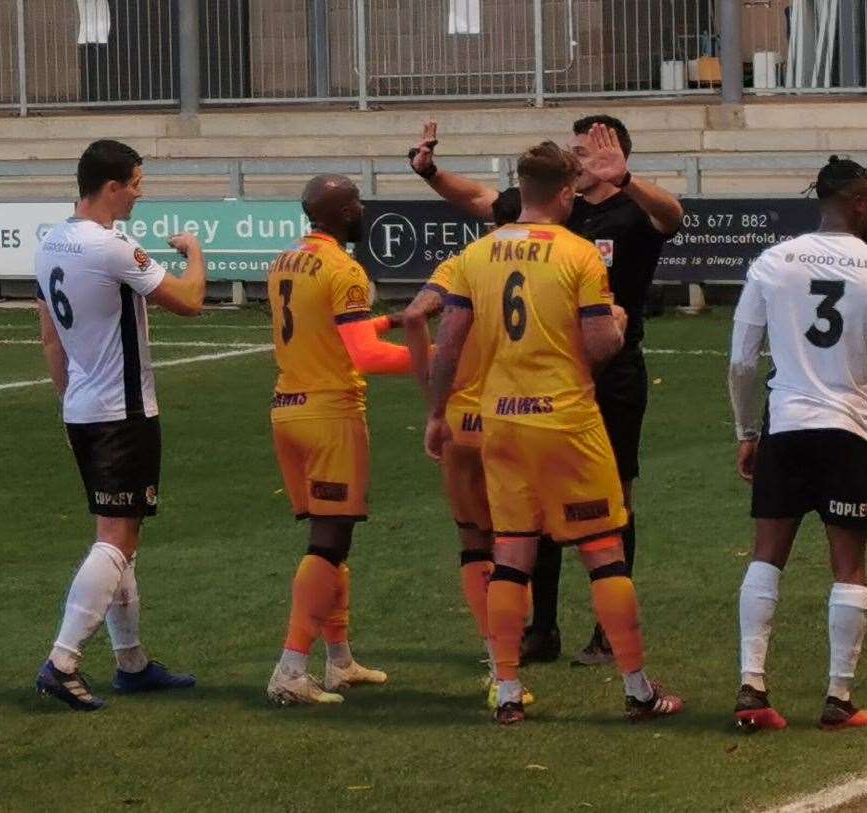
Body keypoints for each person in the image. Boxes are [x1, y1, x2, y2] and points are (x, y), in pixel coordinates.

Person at [424, 141, 683, 724]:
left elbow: (448, 344)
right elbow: (597, 347)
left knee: (512, 552)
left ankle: (509, 691)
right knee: (603, 551)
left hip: (501, 421)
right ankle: (638, 689)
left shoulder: (479, 253)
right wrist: (615, 325)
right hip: (566, 420)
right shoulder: (579, 254)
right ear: (566, 194)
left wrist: (438, 413)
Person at [727, 157, 867, 732]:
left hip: (785, 427)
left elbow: (741, 361)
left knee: (767, 556)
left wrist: (745, 432)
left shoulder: (771, 262)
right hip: (850, 432)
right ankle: (838, 699)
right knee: (849, 564)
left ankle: (751, 688)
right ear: (859, 201)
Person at [33, 139, 205, 711]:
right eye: (135, 181)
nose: (140, 190)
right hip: (121, 414)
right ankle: (62, 661)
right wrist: (193, 252)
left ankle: (131, 663)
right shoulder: (110, 247)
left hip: (82, 408)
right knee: (116, 539)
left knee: (119, 537)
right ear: (110, 187)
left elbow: (50, 337)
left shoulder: (50, 241)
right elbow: (188, 301)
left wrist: (68, 402)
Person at [264, 175, 416, 705]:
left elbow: (330, 332)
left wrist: (393, 320)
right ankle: (289, 669)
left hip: (289, 411)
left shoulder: (286, 260)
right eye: (356, 201)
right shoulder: (344, 269)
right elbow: (364, 357)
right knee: (327, 546)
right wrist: (439, 358)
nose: (364, 207)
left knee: (334, 539)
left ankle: (339, 661)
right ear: (342, 211)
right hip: (330, 414)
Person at [402, 195, 536, 710]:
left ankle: (494, 661)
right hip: (519, 416)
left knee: (474, 543)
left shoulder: (463, 263)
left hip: (462, 422)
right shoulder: (548, 259)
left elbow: (415, 316)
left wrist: (430, 400)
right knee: (519, 540)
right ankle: (514, 653)